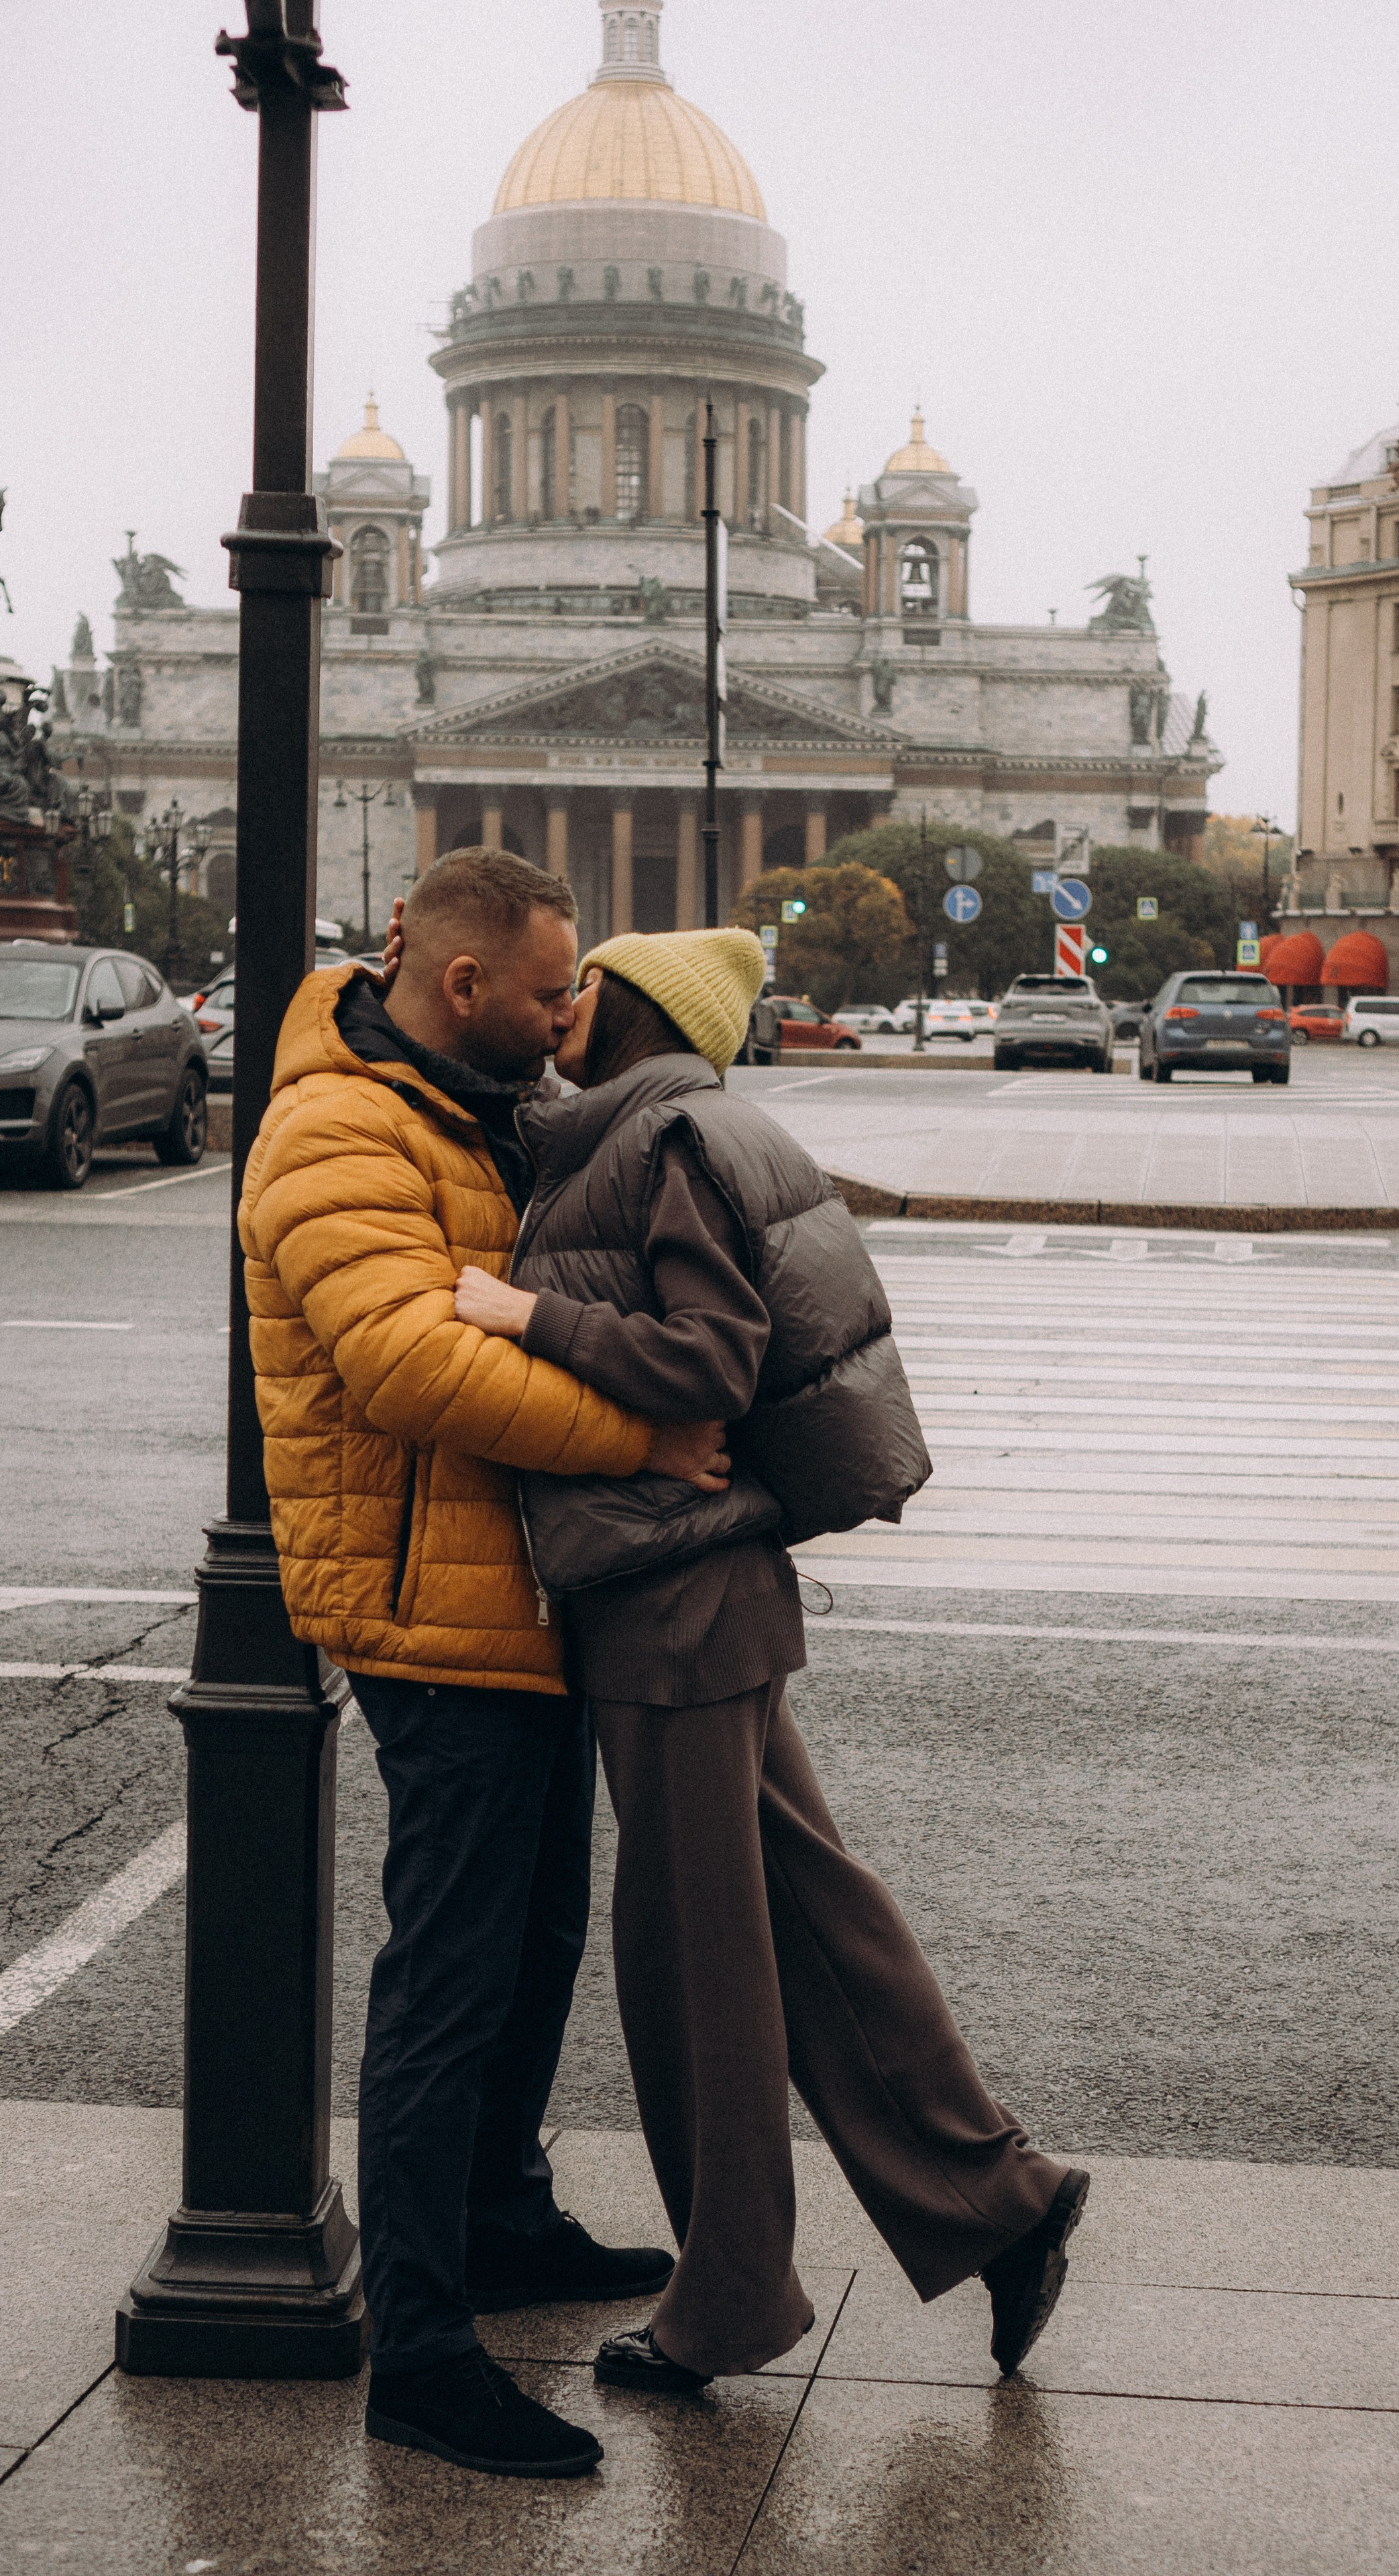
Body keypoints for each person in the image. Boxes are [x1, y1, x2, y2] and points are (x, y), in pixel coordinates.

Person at [448, 924, 1090, 2394]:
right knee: (806, 1920)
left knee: (695, 1966)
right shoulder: (649, 1126)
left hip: (671, 1594)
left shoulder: (667, 1138)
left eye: (583, 981)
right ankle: (1001, 2198)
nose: (563, 998)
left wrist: (521, 1310)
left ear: (640, 1008)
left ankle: (729, 2298)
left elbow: (708, 1363)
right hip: (696, 1593)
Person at [239, 849, 730, 2481]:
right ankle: (423, 2354)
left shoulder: (465, 1101)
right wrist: (644, 1435)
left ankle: (502, 2221)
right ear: (462, 986)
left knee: (529, 1940)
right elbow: (406, 1364)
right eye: (546, 990)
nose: (567, 1012)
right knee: (446, 1981)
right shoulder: (335, 1127)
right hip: (426, 1607)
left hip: (509, 1594)